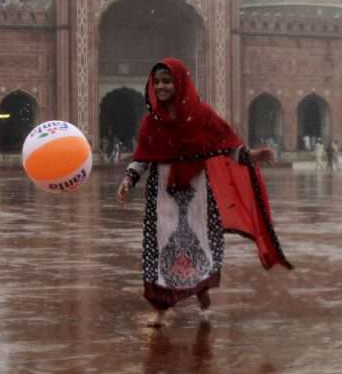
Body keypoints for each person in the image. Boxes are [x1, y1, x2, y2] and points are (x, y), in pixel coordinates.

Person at [115, 59, 292, 328]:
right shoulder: (152, 121)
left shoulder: (201, 115)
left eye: (167, 81)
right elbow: (143, 157)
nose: (161, 87)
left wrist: (253, 155)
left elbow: (226, 145)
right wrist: (128, 180)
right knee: (160, 249)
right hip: (162, 196)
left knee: (197, 244)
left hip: (197, 194)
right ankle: (161, 309)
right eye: (157, 82)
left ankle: (200, 288)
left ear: (180, 83)